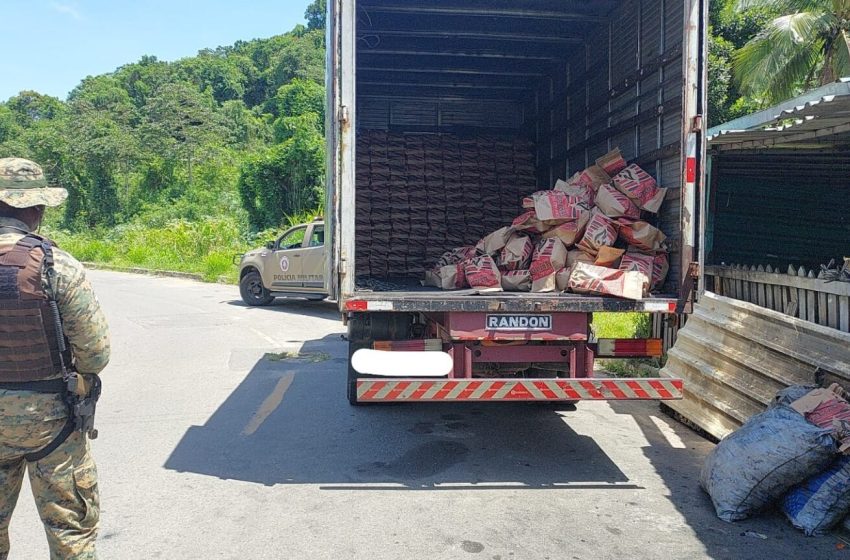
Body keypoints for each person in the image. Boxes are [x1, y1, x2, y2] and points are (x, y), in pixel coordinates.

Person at [0, 157, 110, 559]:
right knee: (71, 533)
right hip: (52, 427)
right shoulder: (56, 264)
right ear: (36, 210)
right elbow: (95, 353)